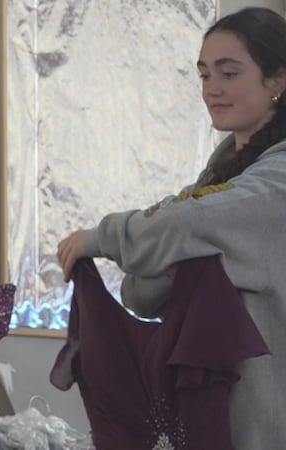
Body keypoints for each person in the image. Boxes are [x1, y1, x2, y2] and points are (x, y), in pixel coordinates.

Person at [56, 7, 286, 450]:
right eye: (204, 75)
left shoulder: (273, 185)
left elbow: (185, 221)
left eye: (229, 73)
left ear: (276, 80)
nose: (212, 89)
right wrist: (168, 256)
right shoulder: (220, 182)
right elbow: (140, 293)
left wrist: (100, 238)